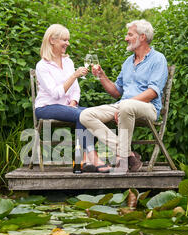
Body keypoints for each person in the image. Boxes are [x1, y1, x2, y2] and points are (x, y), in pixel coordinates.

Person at [80, 19, 168, 173]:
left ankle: (124, 158)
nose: (126, 38)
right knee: (86, 115)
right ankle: (128, 155)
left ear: (142, 37)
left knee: (126, 106)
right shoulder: (128, 62)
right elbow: (116, 92)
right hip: (123, 105)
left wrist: (123, 105)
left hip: (149, 107)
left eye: (129, 35)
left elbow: (152, 93)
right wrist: (102, 75)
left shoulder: (158, 59)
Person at [35, 24, 111, 173]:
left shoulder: (68, 62)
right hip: (46, 107)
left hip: (68, 107)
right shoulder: (42, 66)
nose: (67, 44)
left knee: (94, 113)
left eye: (68, 40)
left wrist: (73, 102)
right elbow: (55, 94)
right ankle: (92, 156)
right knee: (82, 115)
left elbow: (75, 89)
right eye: (64, 40)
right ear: (52, 40)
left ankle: (83, 158)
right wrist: (74, 75)